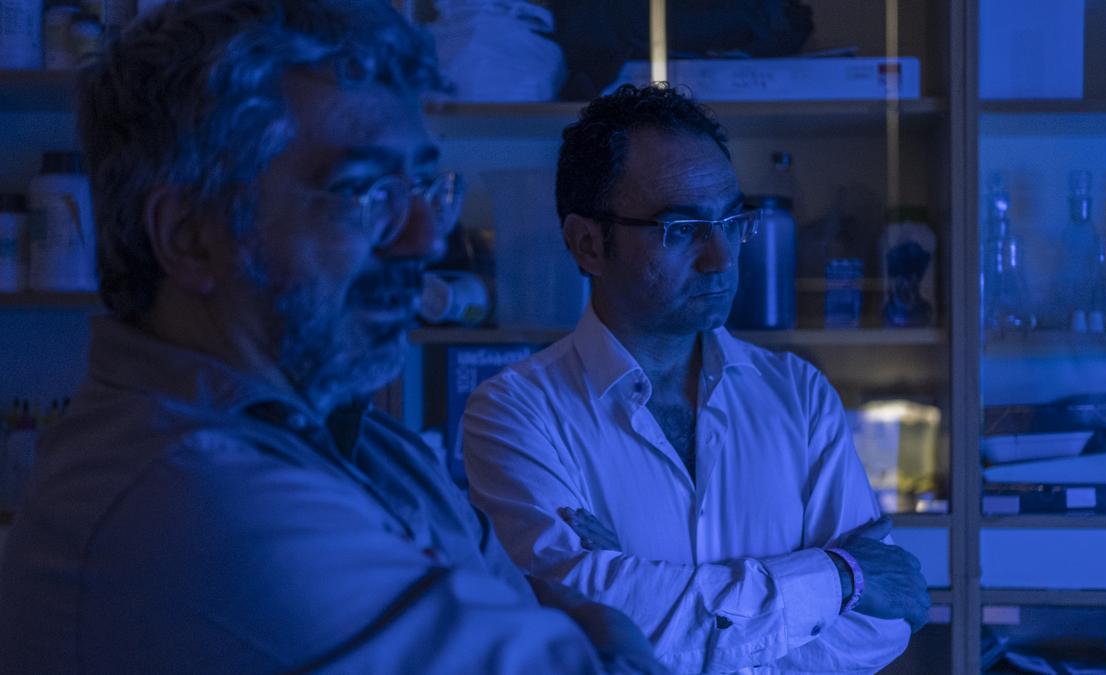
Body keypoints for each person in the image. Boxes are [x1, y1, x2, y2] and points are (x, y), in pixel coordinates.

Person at [0, 2, 663, 672]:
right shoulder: (197, 498)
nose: (426, 239)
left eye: (425, 187)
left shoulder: (378, 447)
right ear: (190, 236)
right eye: (365, 191)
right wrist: (605, 630)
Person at [462, 84, 930, 673]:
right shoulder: (514, 413)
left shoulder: (799, 395)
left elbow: (882, 623)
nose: (723, 257)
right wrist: (837, 577)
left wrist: (643, 594)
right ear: (587, 244)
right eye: (681, 228)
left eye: (732, 220)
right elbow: (573, 637)